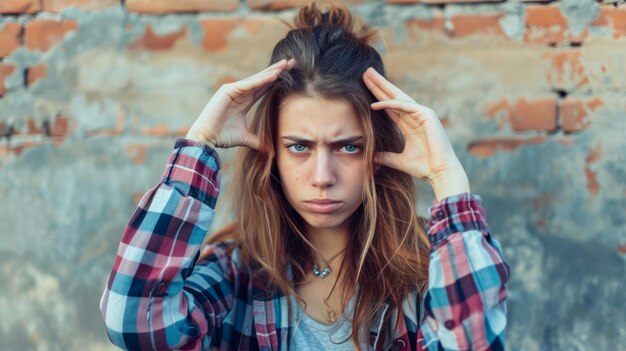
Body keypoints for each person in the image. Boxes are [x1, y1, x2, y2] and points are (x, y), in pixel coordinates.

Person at [99, 3, 509, 350]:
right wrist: (199, 144)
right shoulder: (237, 276)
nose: (322, 177)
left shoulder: (428, 272)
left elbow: (475, 340)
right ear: (271, 152)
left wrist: (448, 180)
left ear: (377, 151)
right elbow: (132, 322)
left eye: (348, 146)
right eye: (299, 146)